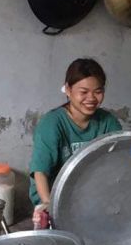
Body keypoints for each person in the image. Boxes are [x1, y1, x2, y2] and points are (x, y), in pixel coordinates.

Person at [30, 58, 123, 223]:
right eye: (84, 92)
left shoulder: (108, 122)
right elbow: (40, 172)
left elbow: (118, 165)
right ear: (68, 89)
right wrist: (48, 205)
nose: (91, 98)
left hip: (92, 198)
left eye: (98, 91)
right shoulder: (52, 123)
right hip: (55, 198)